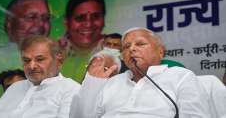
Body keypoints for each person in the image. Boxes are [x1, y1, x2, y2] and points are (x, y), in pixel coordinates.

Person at [70, 28, 212, 118]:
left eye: (140, 44)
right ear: (123, 57)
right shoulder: (113, 82)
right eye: (126, 47)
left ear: (160, 51)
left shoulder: (180, 76)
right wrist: (92, 83)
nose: (131, 49)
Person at [0, 35, 80, 118]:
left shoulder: (71, 89)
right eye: (26, 60)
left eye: (40, 59)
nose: (32, 66)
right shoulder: (14, 88)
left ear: (59, 60)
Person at [59, 0, 106, 83]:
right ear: (66, 22)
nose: (88, 24)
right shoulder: (53, 53)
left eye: (95, 16)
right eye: (80, 18)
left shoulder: (116, 51)